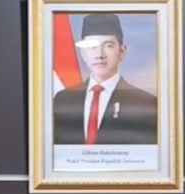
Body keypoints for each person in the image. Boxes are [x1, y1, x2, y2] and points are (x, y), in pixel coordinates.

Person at [53, 13, 158, 145]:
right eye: (92, 46)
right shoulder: (62, 100)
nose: (100, 55)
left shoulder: (145, 103)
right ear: (83, 53)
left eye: (108, 46)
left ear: (122, 51)